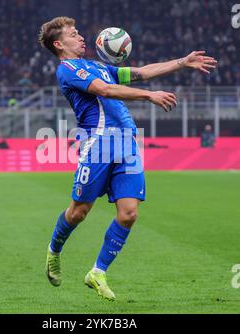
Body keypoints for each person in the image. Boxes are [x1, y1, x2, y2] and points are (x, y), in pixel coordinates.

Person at [39, 16, 217, 301]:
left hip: (127, 146)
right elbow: (105, 90)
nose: (81, 37)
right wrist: (149, 97)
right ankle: (54, 250)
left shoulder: (99, 66)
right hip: (97, 146)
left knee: (129, 213)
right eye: (74, 34)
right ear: (59, 44)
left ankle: (97, 272)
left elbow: (143, 72)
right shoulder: (68, 69)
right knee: (79, 212)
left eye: (79, 32)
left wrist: (182, 62)